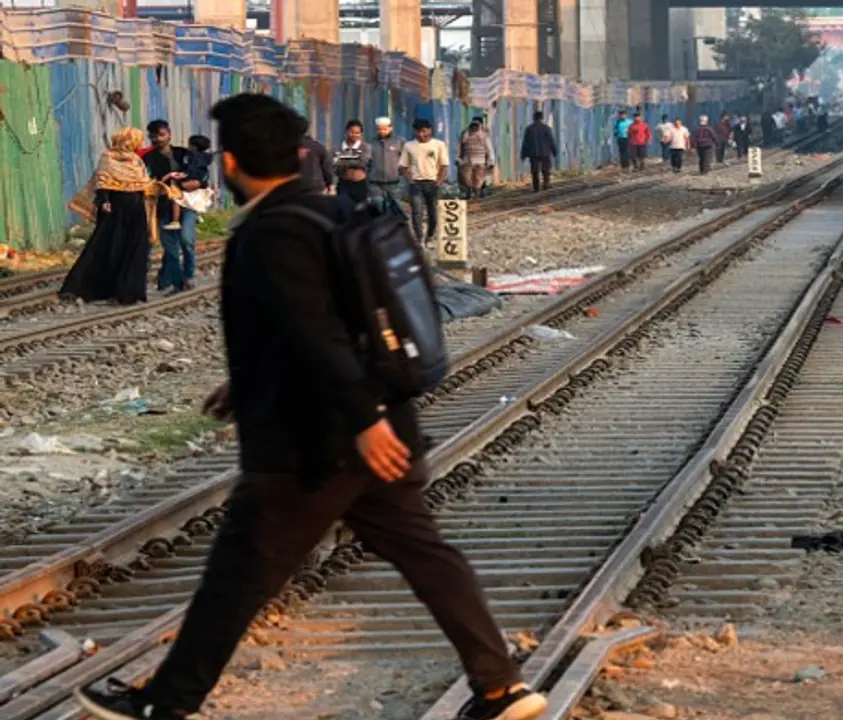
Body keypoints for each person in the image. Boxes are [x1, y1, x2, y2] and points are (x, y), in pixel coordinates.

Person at [73, 93, 548, 720]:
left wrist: (364, 422)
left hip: (316, 445)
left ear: (235, 163)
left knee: (239, 571)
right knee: (428, 557)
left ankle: (168, 701)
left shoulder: (276, 233)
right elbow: (303, 328)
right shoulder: (317, 218)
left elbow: (316, 332)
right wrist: (248, 388)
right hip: (365, 428)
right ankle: (501, 686)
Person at [59, 127, 157, 306]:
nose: (137, 144)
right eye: (135, 140)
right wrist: (104, 200)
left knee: (134, 249)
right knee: (108, 247)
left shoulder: (136, 161)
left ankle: (129, 292)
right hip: (114, 211)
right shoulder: (108, 158)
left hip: (136, 211)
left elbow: (144, 184)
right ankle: (83, 288)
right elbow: (102, 181)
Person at [142, 119, 203, 295]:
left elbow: (201, 174)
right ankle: (177, 284)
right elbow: (145, 182)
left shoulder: (183, 154)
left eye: (161, 135)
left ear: (169, 134)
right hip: (162, 207)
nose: (158, 139)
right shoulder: (148, 159)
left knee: (186, 239)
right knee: (170, 248)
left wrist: (198, 182)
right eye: (153, 136)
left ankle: (189, 274)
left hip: (186, 204)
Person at [401, 118, 450, 246]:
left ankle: (430, 236)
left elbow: (444, 166)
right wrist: (410, 180)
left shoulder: (439, 145)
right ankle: (419, 238)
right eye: (418, 131)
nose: (421, 134)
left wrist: (439, 182)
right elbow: (403, 166)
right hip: (416, 184)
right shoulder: (409, 146)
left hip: (433, 183)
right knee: (417, 212)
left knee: (433, 213)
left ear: (430, 130)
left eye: (424, 131)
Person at [334, 119, 373, 210]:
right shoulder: (338, 147)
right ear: (347, 131)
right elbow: (334, 163)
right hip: (344, 184)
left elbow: (363, 162)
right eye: (352, 132)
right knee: (343, 209)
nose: (355, 135)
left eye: (357, 133)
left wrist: (343, 160)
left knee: (360, 210)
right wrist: (353, 159)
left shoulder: (366, 147)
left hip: (360, 184)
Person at [369, 116, 405, 211]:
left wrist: (400, 172)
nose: (382, 131)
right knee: (377, 206)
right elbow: (368, 161)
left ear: (390, 128)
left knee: (395, 207)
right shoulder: (371, 143)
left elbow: (405, 159)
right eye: (380, 129)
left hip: (394, 182)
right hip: (375, 182)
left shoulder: (399, 141)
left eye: (385, 129)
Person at [519, 111, 557, 192]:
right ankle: (546, 184)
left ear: (534, 118)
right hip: (545, 152)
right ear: (542, 118)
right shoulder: (546, 128)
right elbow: (551, 141)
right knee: (546, 169)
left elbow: (526, 143)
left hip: (533, 153)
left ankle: (536, 187)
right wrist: (554, 151)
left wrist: (523, 154)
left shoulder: (529, 129)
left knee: (535, 170)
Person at [458, 117, 494, 200]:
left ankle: (478, 194)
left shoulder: (484, 134)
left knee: (479, 179)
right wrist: (459, 158)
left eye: (476, 125)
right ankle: (469, 193)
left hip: (480, 161)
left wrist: (490, 161)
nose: (474, 128)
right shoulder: (466, 134)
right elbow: (461, 146)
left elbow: (489, 149)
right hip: (468, 160)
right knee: (467, 179)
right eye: (473, 125)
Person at [298, 120, 334, 194]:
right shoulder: (318, 146)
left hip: (297, 186)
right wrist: (329, 184)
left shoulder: (290, 147)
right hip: (316, 186)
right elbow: (327, 169)